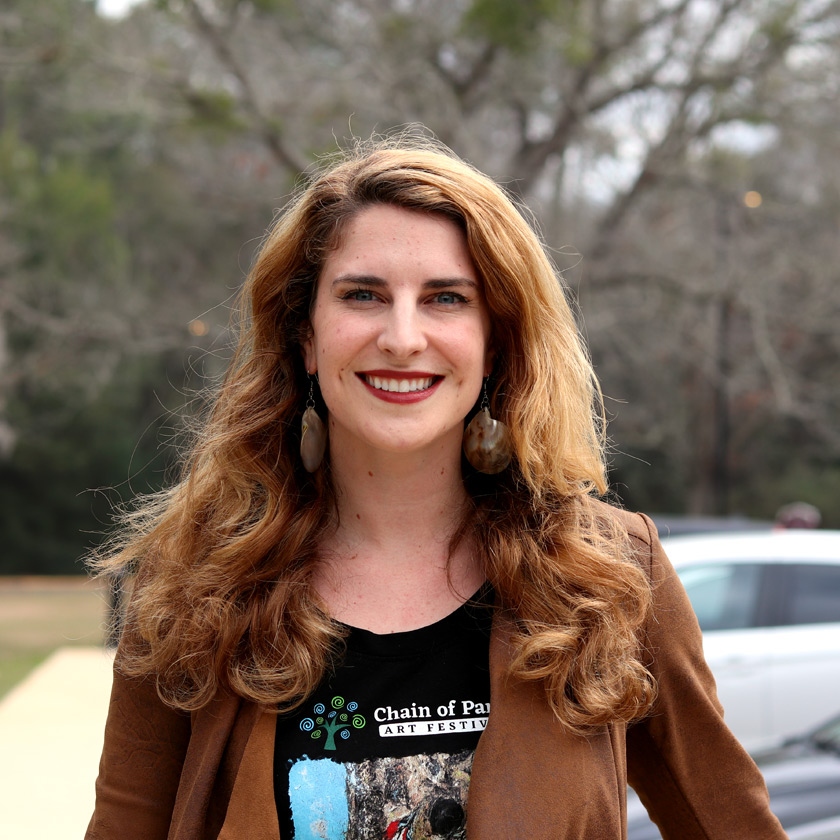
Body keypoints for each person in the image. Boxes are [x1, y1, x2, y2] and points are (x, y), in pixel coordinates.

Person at [86, 136, 787, 840]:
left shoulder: (609, 577)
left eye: (446, 298)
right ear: (305, 335)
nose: (402, 336)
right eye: (363, 295)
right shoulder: (195, 585)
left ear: (496, 342)